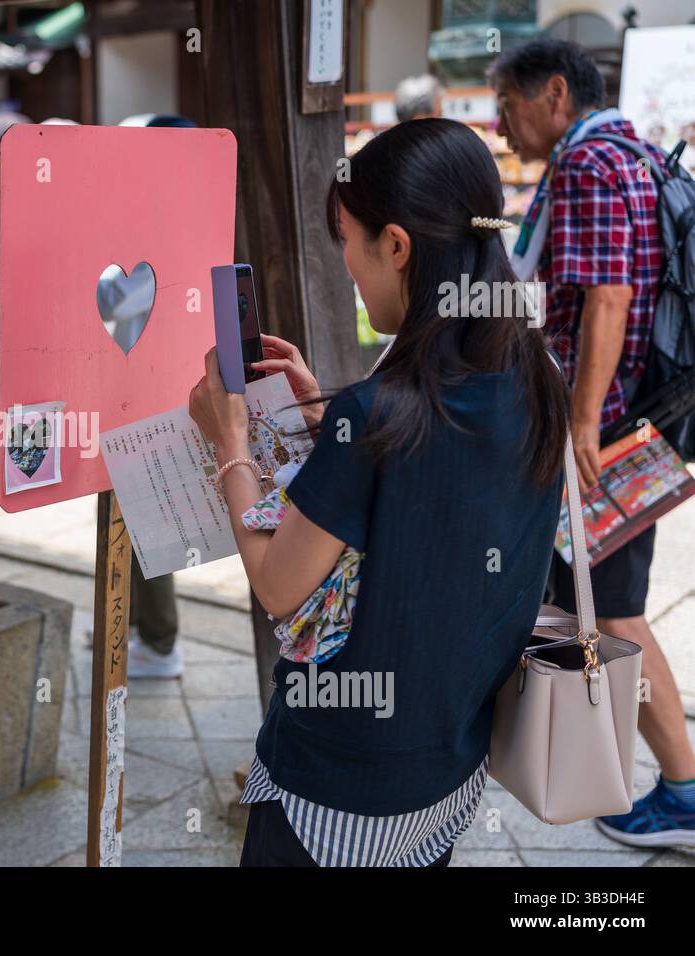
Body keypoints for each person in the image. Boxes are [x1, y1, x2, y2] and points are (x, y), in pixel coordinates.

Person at [188, 118, 570, 866]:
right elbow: (434, 487)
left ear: (396, 245)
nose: (349, 271)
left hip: (338, 780)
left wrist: (230, 441)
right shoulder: (536, 374)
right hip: (453, 761)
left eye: (349, 244)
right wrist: (323, 421)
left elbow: (279, 587)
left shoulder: (377, 413)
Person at [490, 37, 695, 848]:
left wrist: (580, 425)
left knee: (615, 619)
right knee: (607, 613)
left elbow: (607, 298)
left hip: (603, 438)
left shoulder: (587, 165)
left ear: (553, 94)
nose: (503, 127)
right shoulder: (632, 153)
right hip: (632, 423)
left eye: (507, 105)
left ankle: (683, 791)